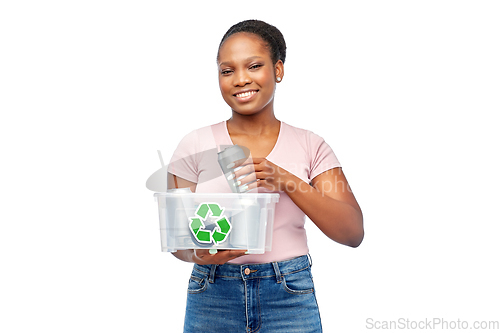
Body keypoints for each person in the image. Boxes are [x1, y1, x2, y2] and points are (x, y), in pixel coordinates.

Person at [167, 19, 363, 333]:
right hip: (212, 295)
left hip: (289, 294)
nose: (240, 80)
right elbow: (176, 239)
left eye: (254, 66)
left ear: (279, 70)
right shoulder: (193, 145)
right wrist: (197, 254)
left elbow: (352, 233)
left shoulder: (310, 146)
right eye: (227, 70)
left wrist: (285, 179)